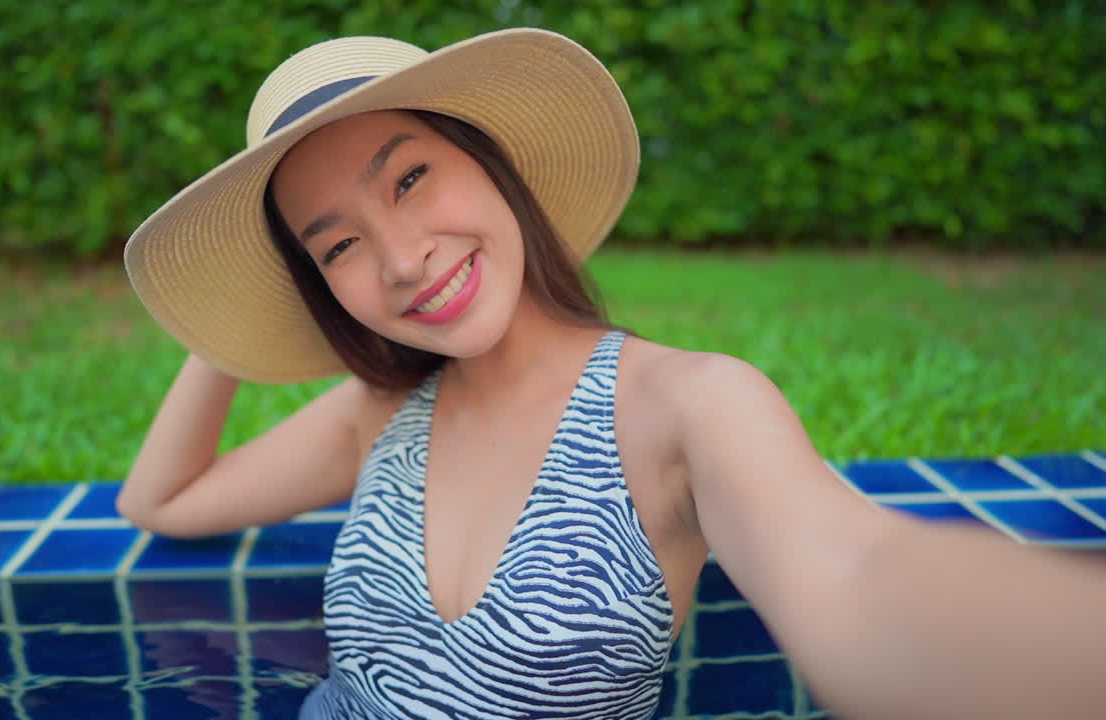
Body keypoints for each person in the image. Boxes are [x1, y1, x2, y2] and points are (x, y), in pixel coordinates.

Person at [116, 28, 1105, 720]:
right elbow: (161, 499)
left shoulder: (683, 410)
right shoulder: (377, 412)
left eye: (409, 178)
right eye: (337, 247)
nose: (402, 260)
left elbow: (857, 576)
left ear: (492, 159)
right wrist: (236, 324)